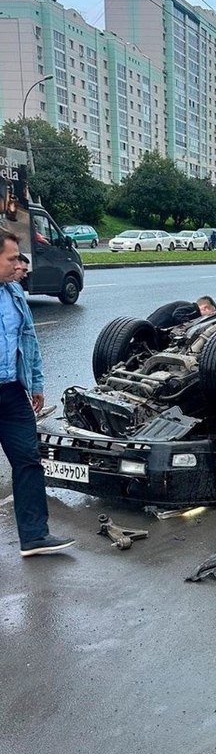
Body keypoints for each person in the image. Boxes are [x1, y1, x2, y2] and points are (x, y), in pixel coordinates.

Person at [0, 230, 75, 555]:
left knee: (28, 461)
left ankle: (34, 536)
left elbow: (29, 342)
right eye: (13, 258)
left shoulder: (14, 294)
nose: (20, 264)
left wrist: (38, 385)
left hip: (13, 392)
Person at [146, 295, 216, 330]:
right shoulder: (193, 308)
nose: (211, 315)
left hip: (149, 324)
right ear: (205, 308)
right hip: (156, 326)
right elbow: (177, 315)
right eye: (212, 312)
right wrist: (187, 324)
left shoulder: (184, 305)